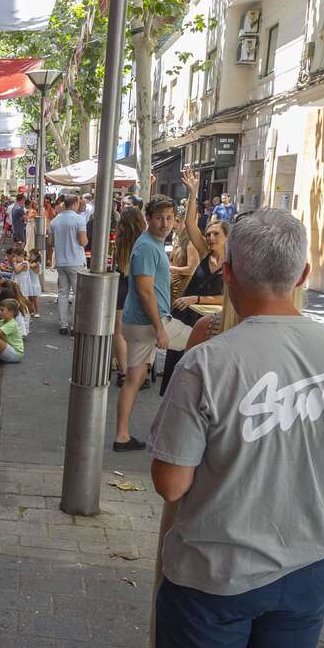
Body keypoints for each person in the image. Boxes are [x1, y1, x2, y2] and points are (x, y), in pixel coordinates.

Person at [147, 209, 324, 648]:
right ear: (302, 276)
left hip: (211, 573)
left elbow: (171, 485)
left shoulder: (207, 364)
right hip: (306, 572)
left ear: (226, 273)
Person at [125, 282, 259, 648]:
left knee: (238, 614)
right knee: (182, 603)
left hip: (245, 509)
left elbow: (170, 476)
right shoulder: (212, 330)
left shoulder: (306, 347)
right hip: (200, 502)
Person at [112, 197, 193, 452]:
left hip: (142, 321)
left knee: (134, 378)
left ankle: (122, 436)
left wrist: (191, 192)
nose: (165, 223)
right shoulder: (147, 247)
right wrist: (159, 328)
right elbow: (145, 291)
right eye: (159, 218)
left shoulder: (153, 244)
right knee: (204, 341)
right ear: (148, 218)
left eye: (169, 218)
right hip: (148, 322)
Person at [160, 169, 228, 391]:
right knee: (176, 362)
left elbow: (224, 298)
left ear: (227, 238)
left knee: (196, 369)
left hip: (209, 322)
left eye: (216, 234)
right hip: (185, 314)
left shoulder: (232, 264)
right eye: (208, 234)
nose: (210, 237)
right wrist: (193, 192)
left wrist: (195, 298)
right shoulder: (204, 252)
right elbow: (190, 224)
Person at [111, 207, 147, 388]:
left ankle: (124, 373)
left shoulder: (120, 240)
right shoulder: (146, 240)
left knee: (119, 332)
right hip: (141, 285)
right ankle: (139, 372)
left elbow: (115, 263)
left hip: (121, 286)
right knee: (138, 331)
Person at [49, 194, 88, 336]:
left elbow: (51, 242)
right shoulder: (79, 219)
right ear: (75, 204)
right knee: (78, 294)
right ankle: (74, 325)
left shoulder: (54, 221)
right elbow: (83, 241)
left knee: (63, 293)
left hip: (61, 261)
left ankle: (63, 325)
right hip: (76, 261)